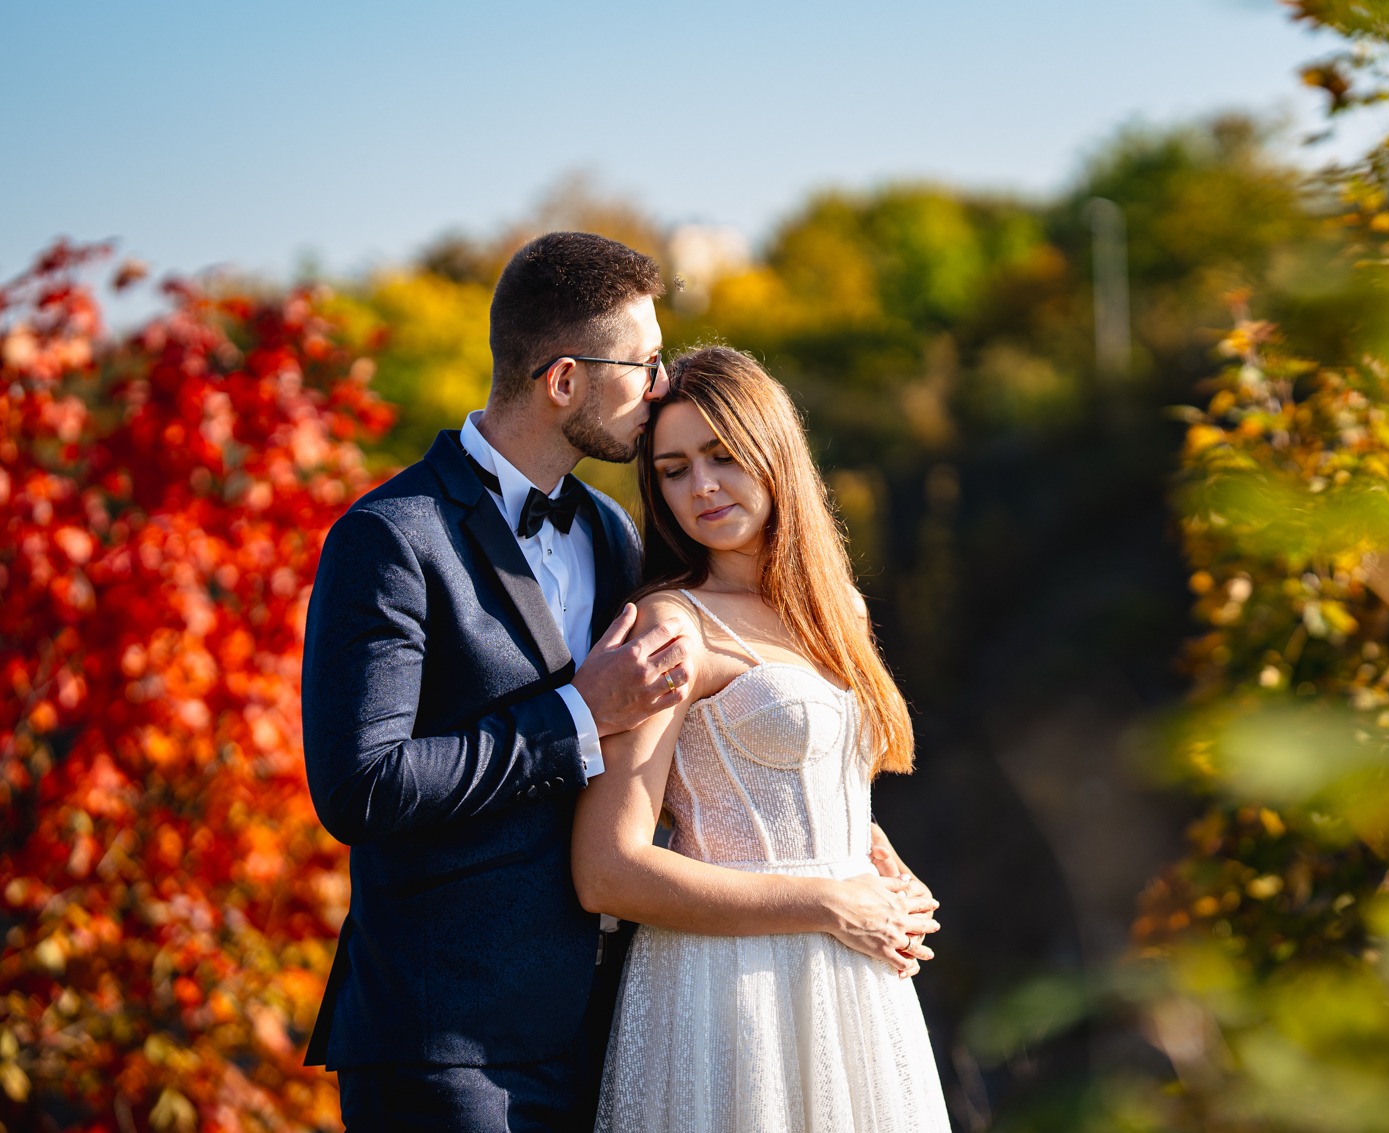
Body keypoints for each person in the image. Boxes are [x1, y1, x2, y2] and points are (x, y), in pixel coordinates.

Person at [300, 233, 939, 1130]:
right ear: (565, 380)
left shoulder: (609, 531)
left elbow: (693, 750)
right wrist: (575, 713)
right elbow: (360, 786)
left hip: (618, 1021)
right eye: (644, 363)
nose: (659, 383)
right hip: (450, 1037)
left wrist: (846, 840)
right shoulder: (393, 536)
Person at [574, 346, 952, 1132]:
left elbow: (805, 784)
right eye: (674, 469)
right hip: (730, 986)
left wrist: (876, 859)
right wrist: (829, 899)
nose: (701, 487)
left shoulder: (838, 607)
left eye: (722, 455)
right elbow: (607, 869)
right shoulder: (671, 625)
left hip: (855, 979)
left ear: (774, 449)